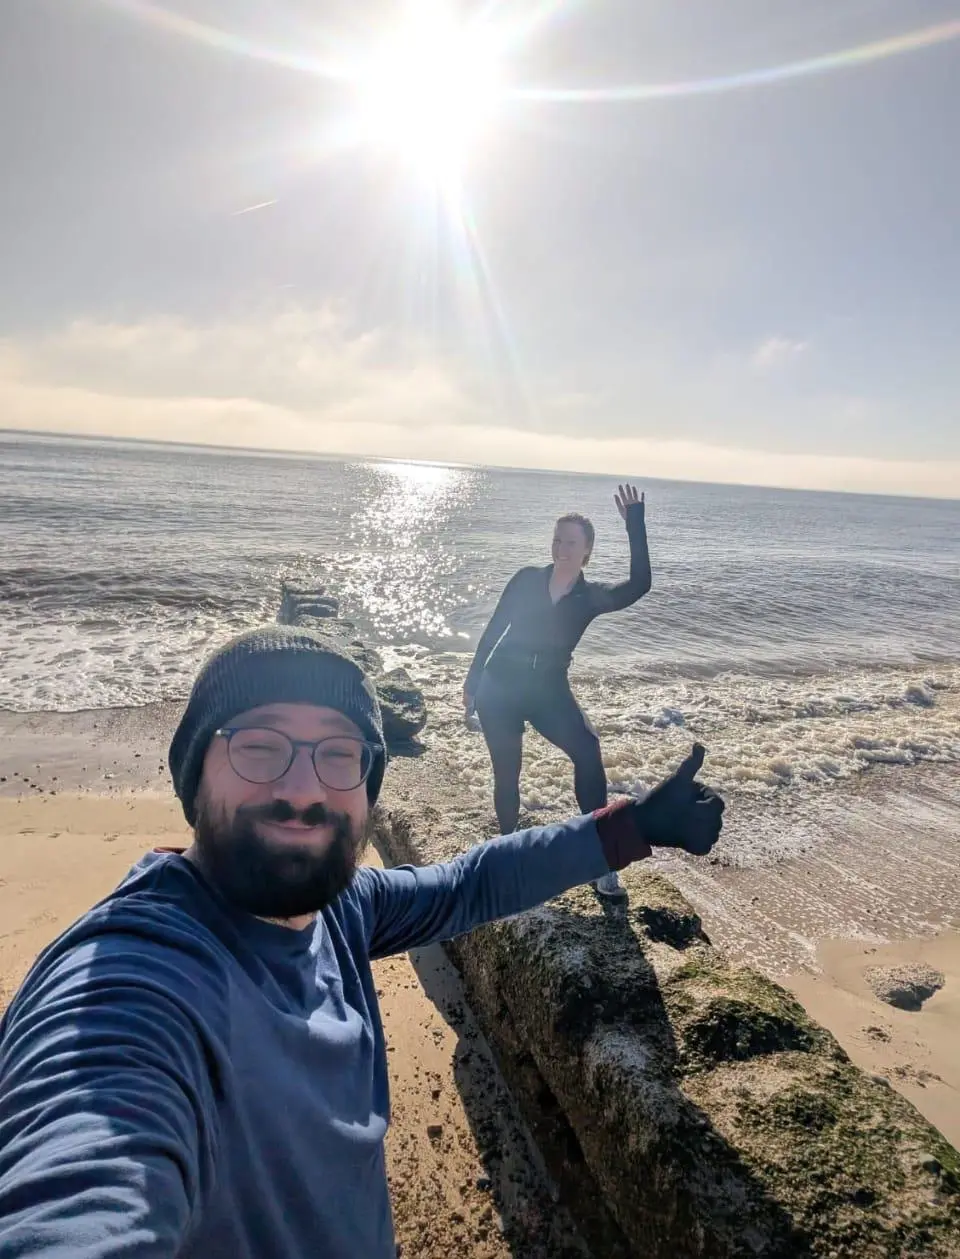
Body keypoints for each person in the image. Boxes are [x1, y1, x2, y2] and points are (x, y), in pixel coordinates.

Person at [0, 626, 723, 1259]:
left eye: (340, 754)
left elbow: (470, 882)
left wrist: (629, 827)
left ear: (368, 787)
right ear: (195, 776)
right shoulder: (130, 982)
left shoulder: (341, 909)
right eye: (259, 746)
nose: (303, 790)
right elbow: (79, 1179)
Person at [463, 483, 651, 896]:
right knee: (507, 771)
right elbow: (495, 628)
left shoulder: (591, 597)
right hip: (501, 688)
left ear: (587, 550)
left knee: (588, 750)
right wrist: (473, 682)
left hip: (549, 691)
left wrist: (634, 524)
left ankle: (601, 859)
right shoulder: (526, 579)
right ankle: (507, 849)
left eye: (570, 542)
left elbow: (640, 584)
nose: (561, 548)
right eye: (556, 540)